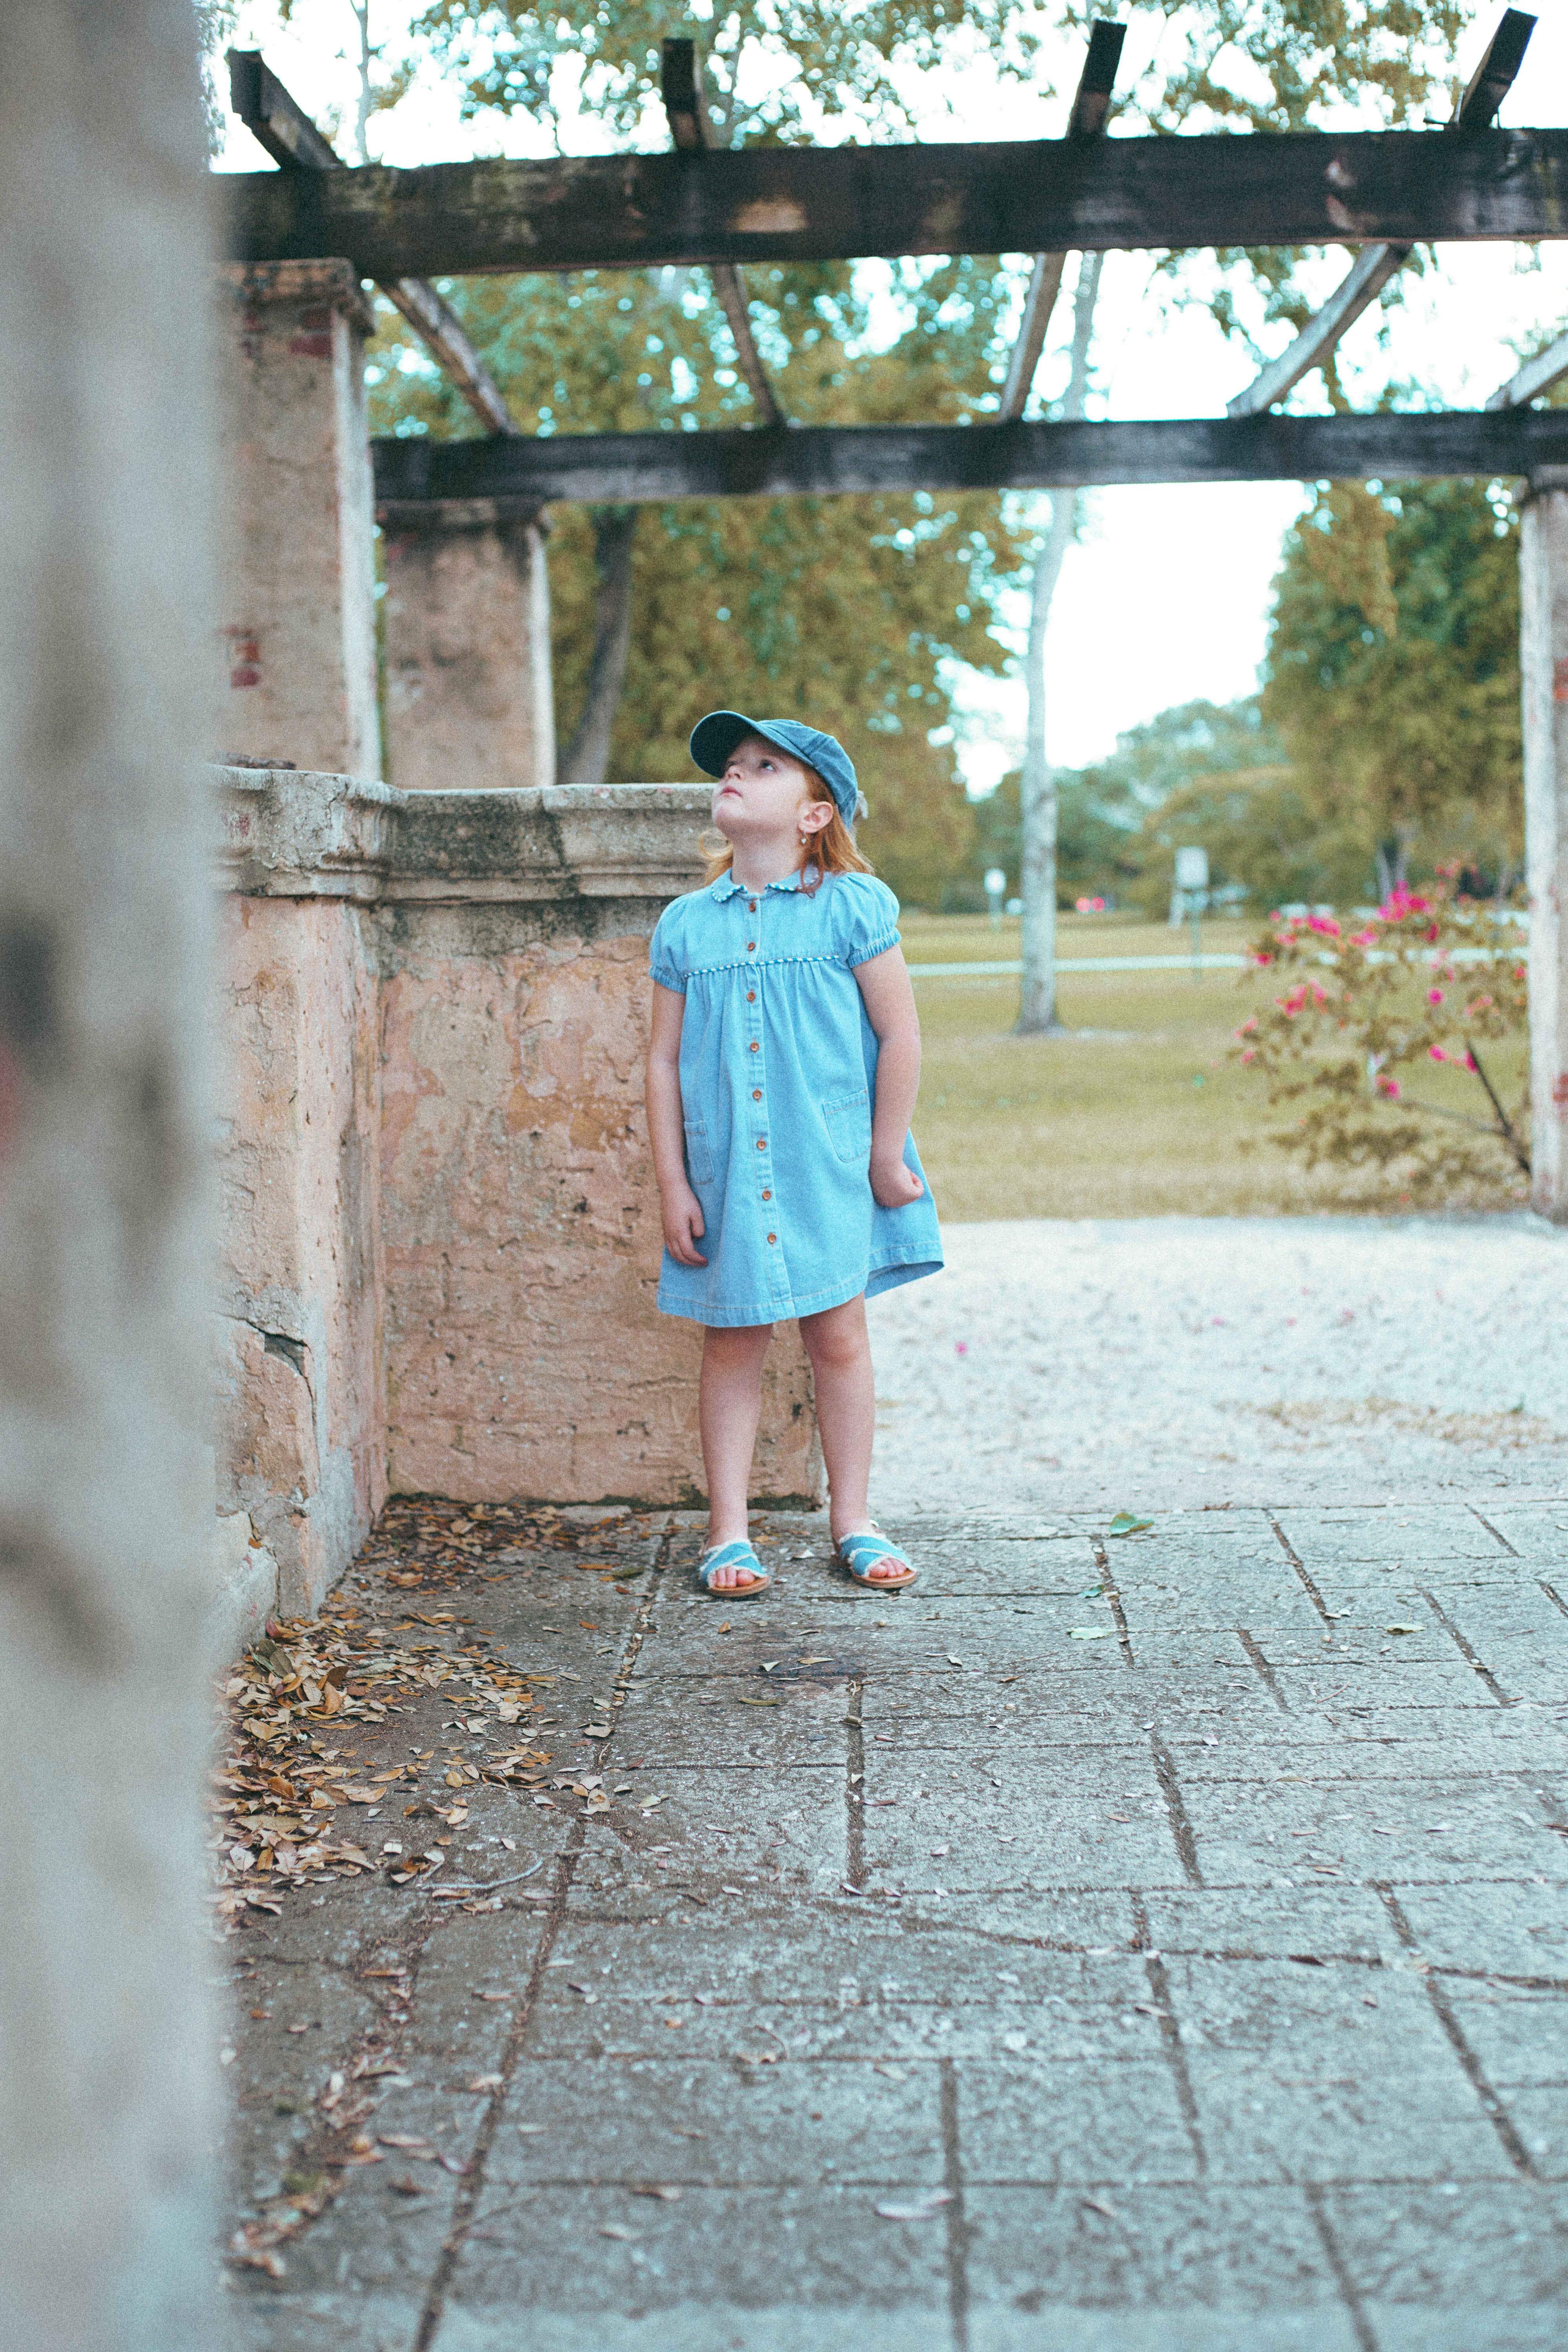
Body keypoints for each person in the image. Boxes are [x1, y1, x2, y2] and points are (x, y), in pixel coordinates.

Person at [646, 710, 944, 1599]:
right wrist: (673, 1183)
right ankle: (727, 1533)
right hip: (729, 1172)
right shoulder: (685, 926)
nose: (735, 774)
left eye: (763, 766)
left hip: (828, 1162)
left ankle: (853, 1519)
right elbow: (661, 1062)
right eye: (731, 765)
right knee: (732, 1338)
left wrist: (884, 1154)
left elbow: (900, 1035)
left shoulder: (853, 908)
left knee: (838, 1337)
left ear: (815, 814)